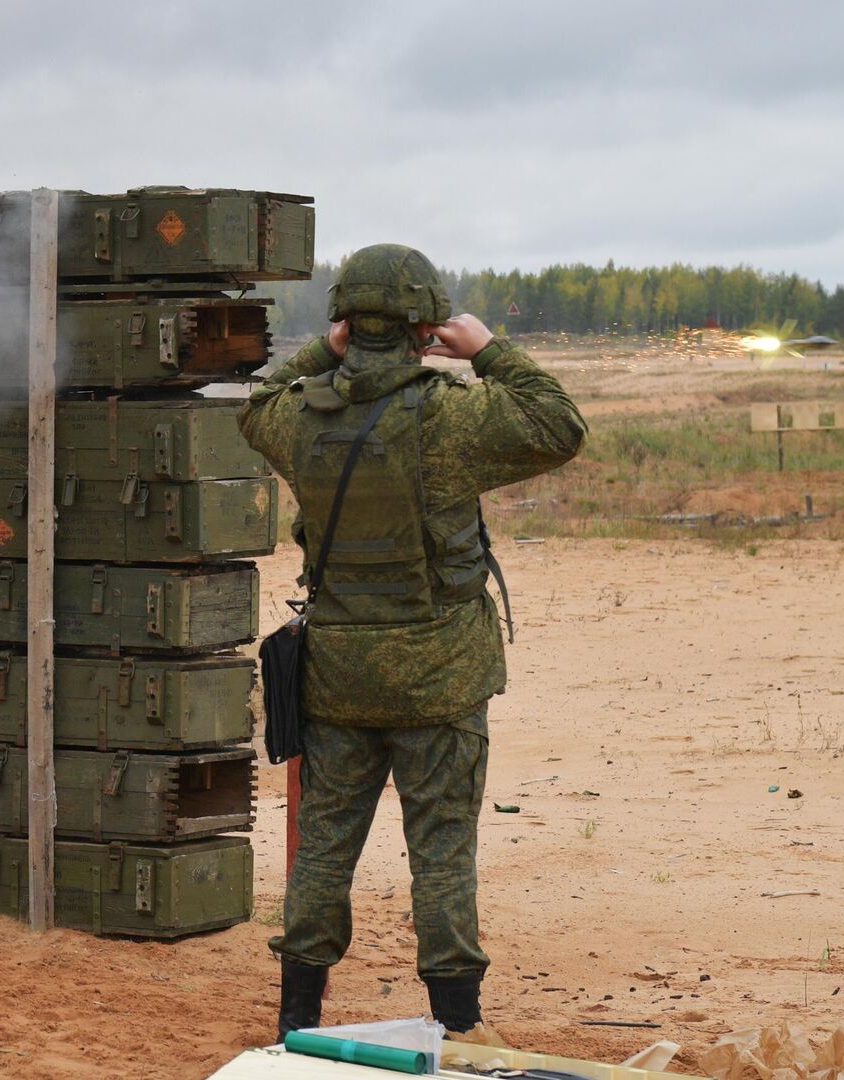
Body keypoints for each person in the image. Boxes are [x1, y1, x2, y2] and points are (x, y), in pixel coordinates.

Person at [238, 244, 587, 1038]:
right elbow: (559, 425)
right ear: (425, 325)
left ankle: (299, 1015)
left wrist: (315, 354)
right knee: (441, 851)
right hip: (440, 675)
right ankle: (456, 1027)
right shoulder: (453, 415)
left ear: (344, 321)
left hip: (340, 675)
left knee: (324, 846)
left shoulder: (301, 417)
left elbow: (253, 404)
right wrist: (488, 349)